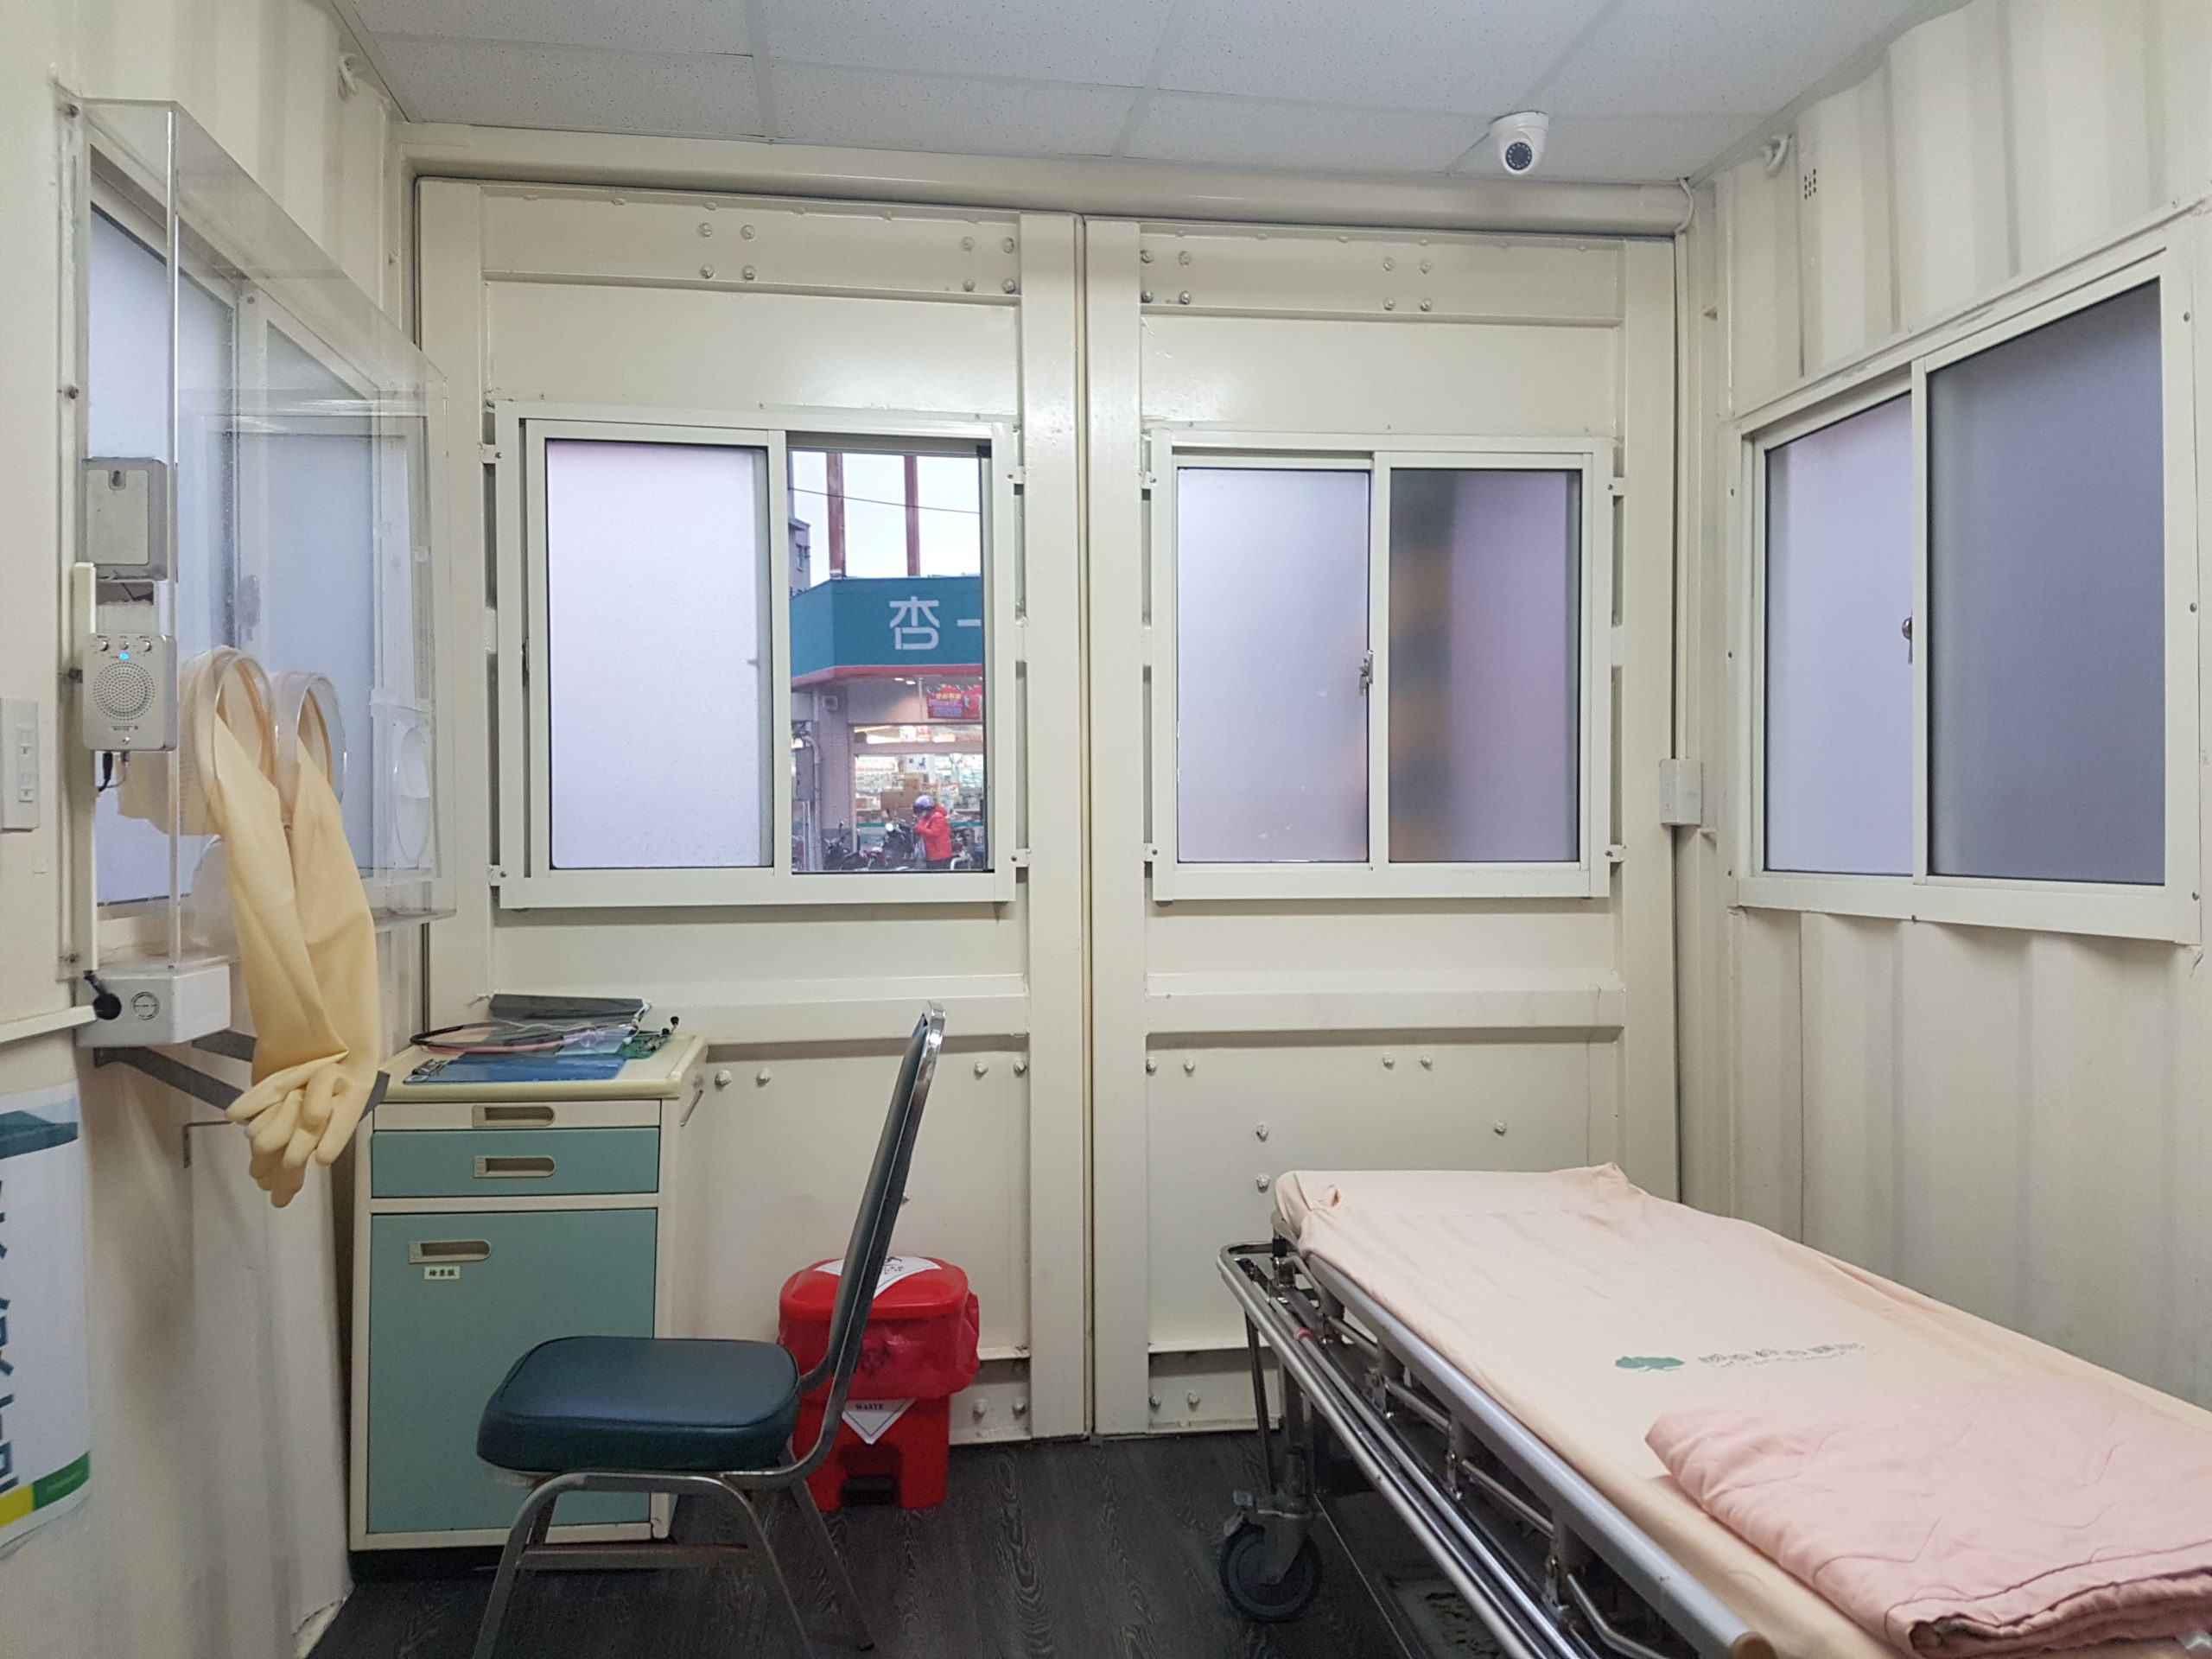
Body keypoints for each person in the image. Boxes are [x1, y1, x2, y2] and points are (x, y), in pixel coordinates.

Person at [913, 793, 954, 870]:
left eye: (921, 811)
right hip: (929, 853)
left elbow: (934, 833)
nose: (919, 813)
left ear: (928, 809)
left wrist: (919, 829)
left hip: (939, 854)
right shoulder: (924, 818)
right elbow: (921, 829)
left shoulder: (938, 818)